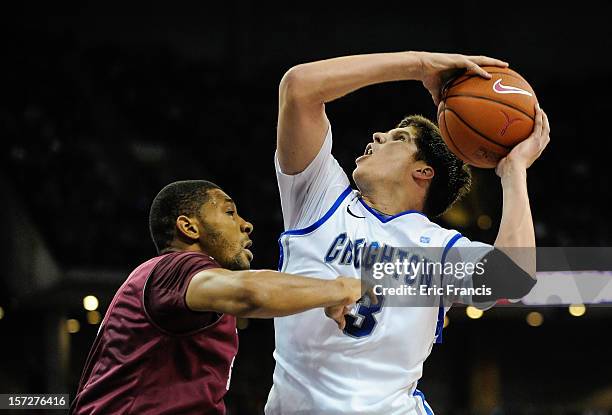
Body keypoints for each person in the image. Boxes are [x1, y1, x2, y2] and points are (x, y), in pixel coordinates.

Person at [266, 51, 550, 414]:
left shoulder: (440, 247)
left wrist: (514, 172)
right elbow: (299, 87)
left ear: (423, 172)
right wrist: (418, 66)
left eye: (398, 137)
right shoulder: (319, 197)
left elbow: (514, 276)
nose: (378, 135)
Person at [70, 180, 373, 415]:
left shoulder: (172, 282)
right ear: (189, 227)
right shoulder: (176, 267)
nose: (245, 224)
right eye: (229, 212)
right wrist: (340, 288)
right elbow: (250, 293)